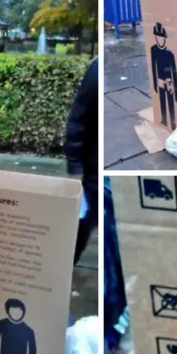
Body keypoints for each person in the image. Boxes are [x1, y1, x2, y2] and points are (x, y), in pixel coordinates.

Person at [64, 56, 98, 266]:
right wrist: (75, 169)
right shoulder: (98, 69)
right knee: (80, 225)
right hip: (91, 173)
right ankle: (63, 271)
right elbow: (78, 120)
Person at [150, 22, 177, 130]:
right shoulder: (154, 50)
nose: (160, 40)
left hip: (169, 81)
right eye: (158, 37)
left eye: (161, 37)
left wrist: (176, 92)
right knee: (162, 101)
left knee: (170, 102)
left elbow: (174, 72)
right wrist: (155, 84)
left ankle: (173, 121)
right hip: (160, 80)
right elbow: (153, 68)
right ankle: (163, 119)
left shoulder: (169, 53)